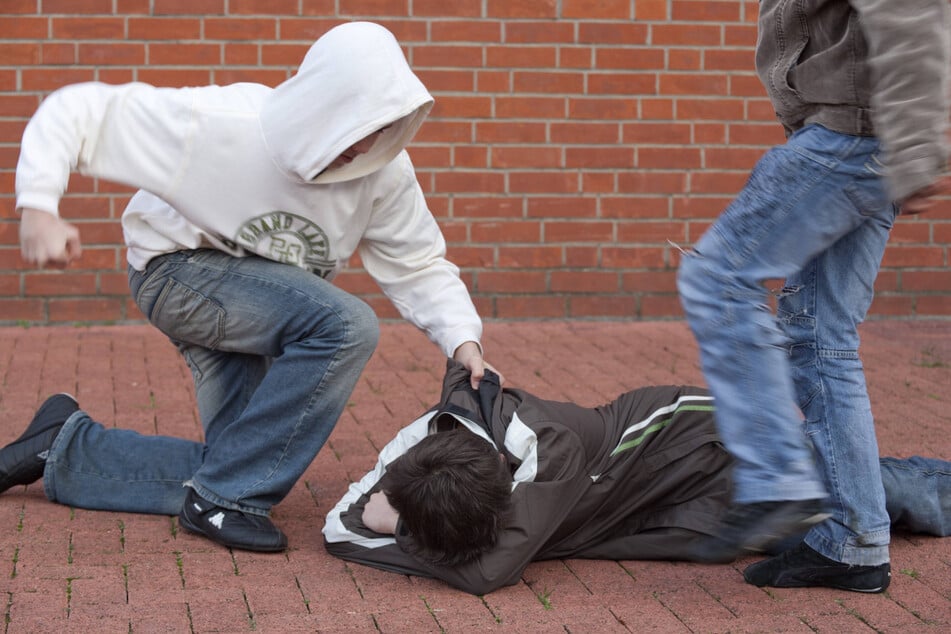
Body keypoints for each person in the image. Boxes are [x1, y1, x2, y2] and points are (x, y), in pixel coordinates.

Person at [5, 21, 497, 553]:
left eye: (379, 128)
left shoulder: (383, 172)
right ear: (320, 105)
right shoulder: (222, 123)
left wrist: (461, 339)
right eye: (354, 127)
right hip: (176, 272)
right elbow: (78, 112)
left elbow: (417, 260)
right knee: (346, 326)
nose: (363, 145)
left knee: (240, 459)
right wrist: (38, 206)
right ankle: (222, 501)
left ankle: (64, 444)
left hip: (259, 302)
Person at [674, 0, 951, 586]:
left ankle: (774, 481)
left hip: (849, 135)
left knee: (716, 278)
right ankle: (852, 542)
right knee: (823, 338)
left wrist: (919, 143)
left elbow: (909, 9)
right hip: (861, 136)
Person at [322, 362, 950, 595]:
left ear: (505, 487)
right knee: (801, 539)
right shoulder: (416, 456)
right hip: (639, 509)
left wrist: (398, 530)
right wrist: (407, 520)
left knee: (885, 499)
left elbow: (488, 571)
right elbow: (334, 530)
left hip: (698, 441)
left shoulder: (546, 450)